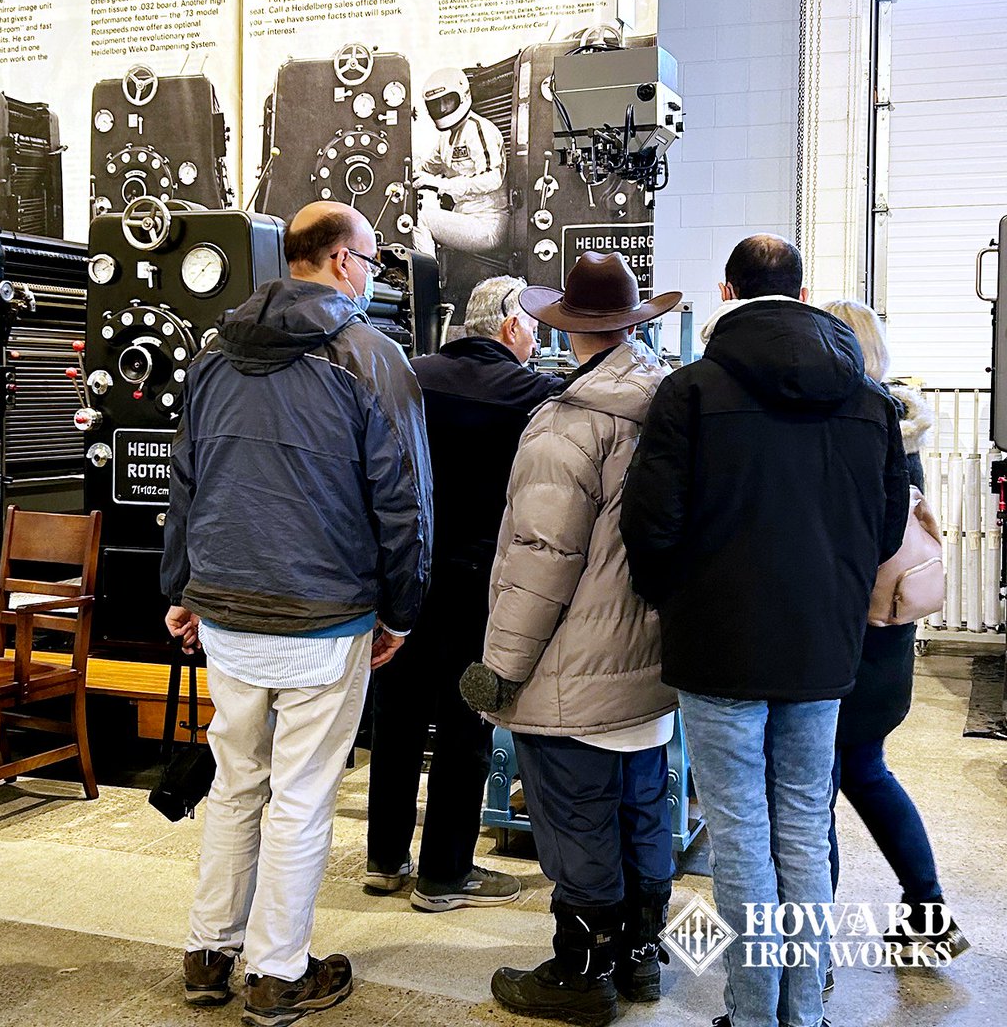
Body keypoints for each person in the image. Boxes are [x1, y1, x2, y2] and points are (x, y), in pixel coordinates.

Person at [620, 236, 910, 1027]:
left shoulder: (689, 391)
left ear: (727, 291)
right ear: (804, 291)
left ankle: (753, 1013)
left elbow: (650, 524)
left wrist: (671, 598)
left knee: (742, 834)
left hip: (716, 645)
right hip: (821, 647)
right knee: (805, 829)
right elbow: (885, 530)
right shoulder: (869, 400)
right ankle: (802, 1014)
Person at [161, 201, 433, 1025]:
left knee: (239, 782)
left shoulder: (215, 353)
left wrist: (183, 588)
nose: (375, 276)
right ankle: (278, 972)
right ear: (345, 261)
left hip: (229, 611)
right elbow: (405, 500)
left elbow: (186, 481)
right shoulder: (370, 355)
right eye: (375, 261)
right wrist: (403, 608)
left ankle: (210, 951)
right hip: (325, 613)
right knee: (303, 797)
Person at [461, 252, 683, 1026]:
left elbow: (540, 562)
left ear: (569, 327)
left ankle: (579, 973)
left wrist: (500, 669)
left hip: (574, 671)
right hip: (650, 665)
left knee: (578, 817)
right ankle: (641, 958)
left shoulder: (566, 424)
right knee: (643, 808)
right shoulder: (672, 406)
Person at [365, 275, 562, 911]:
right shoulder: (531, 394)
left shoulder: (406, 376)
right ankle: (445, 872)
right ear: (509, 327)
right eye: (533, 325)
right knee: (464, 719)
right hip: (480, 583)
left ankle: (385, 857)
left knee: (397, 714)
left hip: (401, 574)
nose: (537, 337)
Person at [821, 299, 967, 961]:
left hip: (844, 638)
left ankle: (809, 952)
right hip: (888, 637)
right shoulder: (901, 428)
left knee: (813, 786)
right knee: (864, 771)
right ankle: (928, 913)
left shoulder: (853, 429)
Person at [411, 66, 510, 312]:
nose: (443, 109)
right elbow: (426, 167)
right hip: (467, 220)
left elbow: (493, 177)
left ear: (463, 96)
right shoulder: (446, 138)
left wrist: (442, 185)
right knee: (414, 214)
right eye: (437, 105)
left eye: (448, 102)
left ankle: (427, 290)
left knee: (420, 218)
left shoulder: (479, 129)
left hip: (488, 223)